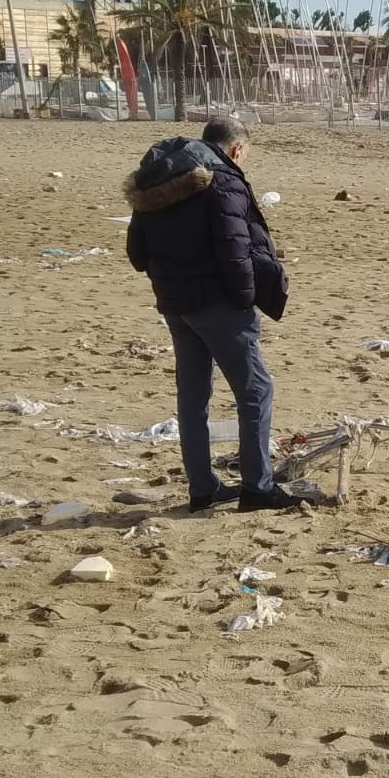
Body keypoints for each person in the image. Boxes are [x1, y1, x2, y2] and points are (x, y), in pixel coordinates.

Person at [125, 117, 299, 512]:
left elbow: (137, 253)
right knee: (256, 391)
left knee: (193, 395)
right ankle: (257, 488)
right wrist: (245, 300)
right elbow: (236, 249)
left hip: (174, 301)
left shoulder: (160, 176)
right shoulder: (224, 181)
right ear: (235, 149)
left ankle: (203, 488)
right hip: (218, 304)